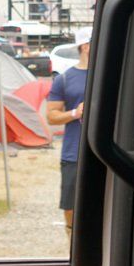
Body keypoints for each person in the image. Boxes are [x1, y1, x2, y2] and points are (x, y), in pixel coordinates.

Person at [46, 27, 91, 229]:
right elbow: (51, 116)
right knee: (71, 206)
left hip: (107, 154)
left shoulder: (111, 75)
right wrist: (75, 113)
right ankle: (73, 248)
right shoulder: (63, 79)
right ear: (85, 46)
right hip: (74, 153)